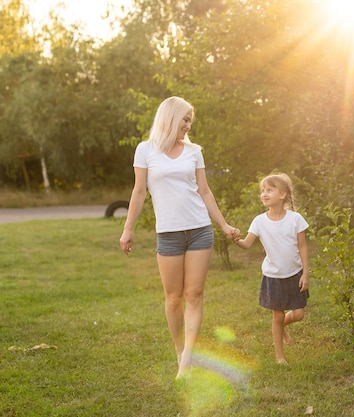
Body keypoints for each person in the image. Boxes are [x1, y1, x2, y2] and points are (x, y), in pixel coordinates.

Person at [119, 96, 239, 380]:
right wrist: (128, 228)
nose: (188, 126)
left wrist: (222, 225)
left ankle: (188, 359)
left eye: (190, 121)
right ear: (171, 118)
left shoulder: (194, 151)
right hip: (168, 234)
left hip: (199, 229)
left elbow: (205, 191)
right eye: (185, 120)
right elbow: (139, 192)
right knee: (173, 298)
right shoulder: (145, 150)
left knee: (194, 294)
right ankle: (179, 350)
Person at [232, 173, 309, 364]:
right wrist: (236, 240)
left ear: (282, 194)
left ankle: (282, 327)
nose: (264, 194)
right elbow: (247, 244)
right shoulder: (259, 221)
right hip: (273, 276)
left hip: (295, 274)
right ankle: (280, 356)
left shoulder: (295, 219)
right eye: (263, 191)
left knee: (298, 314)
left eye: (269, 190)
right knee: (277, 315)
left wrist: (306, 273)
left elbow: (303, 247)